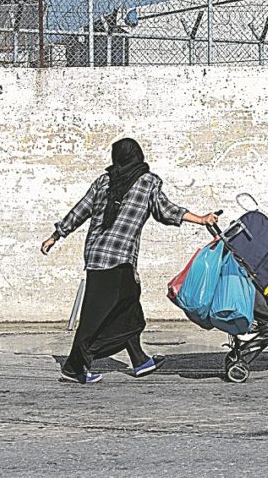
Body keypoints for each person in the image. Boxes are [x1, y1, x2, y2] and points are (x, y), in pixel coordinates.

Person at [41, 138, 217, 384]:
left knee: (128, 308)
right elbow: (166, 211)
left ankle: (140, 360)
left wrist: (56, 235)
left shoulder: (104, 181)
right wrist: (202, 219)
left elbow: (80, 210)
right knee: (97, 316)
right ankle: (75, 367)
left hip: (97, 255)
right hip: (119, 257)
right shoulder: (148, 181)